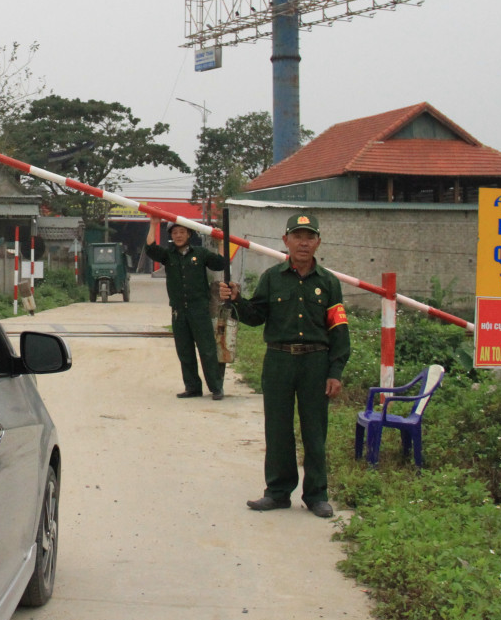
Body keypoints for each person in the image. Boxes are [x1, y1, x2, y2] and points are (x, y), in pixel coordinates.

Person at [220, 213, 349, 517]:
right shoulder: (272, 278)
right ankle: (277, 492)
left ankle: (316, 495)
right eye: (297, 236)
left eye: (309, 237)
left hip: (315, 363)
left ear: (318, 242)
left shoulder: (329, 283)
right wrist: (237, 299)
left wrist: (335, 371)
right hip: (278, 360)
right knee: (277, 429)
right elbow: (255, 316)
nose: (303, 243)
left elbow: (339, 331)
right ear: (285, 241)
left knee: (314, 430)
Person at [145, 221, 228, 400]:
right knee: (185, 351)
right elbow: (150, 248)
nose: (178, 235)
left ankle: (216, 388)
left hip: (199, 310)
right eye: (175, 232)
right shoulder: (168, 255)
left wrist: (220, 241)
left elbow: (220, 263)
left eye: (182, 232)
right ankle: (192, 387)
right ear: (171, 236)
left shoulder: (200, 253)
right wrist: (153, 222)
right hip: (178, 311)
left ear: (189, 234)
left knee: (207, 350)